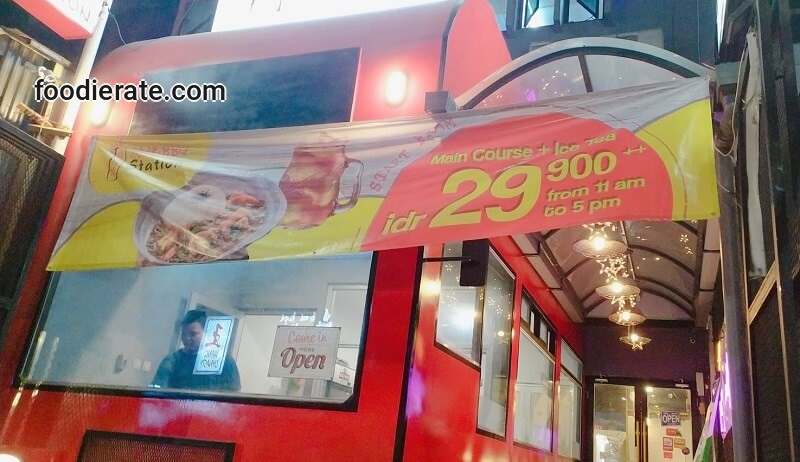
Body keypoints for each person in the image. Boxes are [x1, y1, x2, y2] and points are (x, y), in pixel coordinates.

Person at [151, 309, 241, 391]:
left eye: (193, 334)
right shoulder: (172, 360)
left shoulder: (224, 362)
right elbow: (157, 390)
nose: (187, 338)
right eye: (184, 334)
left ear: (207, 333)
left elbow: (232, 394)